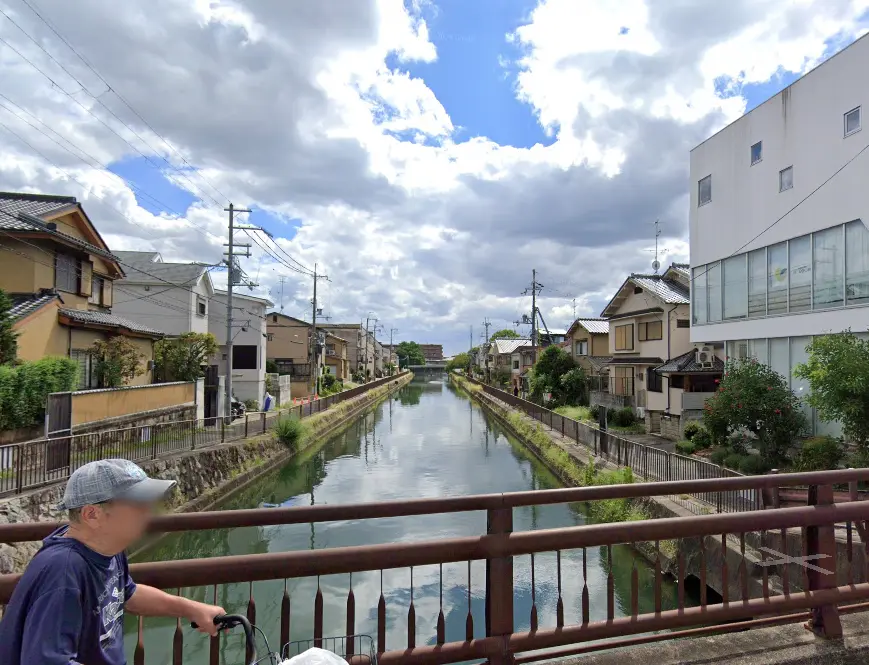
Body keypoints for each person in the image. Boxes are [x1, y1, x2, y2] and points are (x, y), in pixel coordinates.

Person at [0, 459, 225, 665]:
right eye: (138, 505)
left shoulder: (108, 549)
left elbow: (127, 594)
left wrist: (191, 608)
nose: (150, 513)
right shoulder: (63, 570)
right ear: (92, 515)